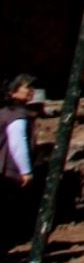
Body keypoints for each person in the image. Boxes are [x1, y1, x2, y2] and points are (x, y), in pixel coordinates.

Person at [1, 74, 37, 245]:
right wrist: (26, 171)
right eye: (27, 87)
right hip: (6, 172)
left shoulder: (5, 113)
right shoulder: (17, 116)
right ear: (14, 92)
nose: (31, 91)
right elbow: (18, 143)